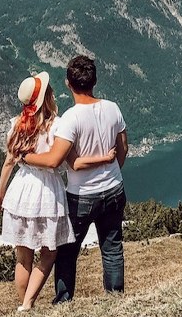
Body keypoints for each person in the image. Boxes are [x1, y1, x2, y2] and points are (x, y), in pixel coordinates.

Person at [0, 70, 116, 310]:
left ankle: (25, 307)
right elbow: (73, 162)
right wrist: (104, 159)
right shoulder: (56, 126)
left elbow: (8, 162)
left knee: (23, 257)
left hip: (20, 191)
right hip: (47, 192)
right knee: (49, 253)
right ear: (46, 98)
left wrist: (0, 193)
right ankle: (28, 304)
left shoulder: (16, 125)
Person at [16, 55, 128, 300]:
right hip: (114, 189)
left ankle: (64, 301)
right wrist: (110, 172)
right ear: (95, 81)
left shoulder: (70, 118)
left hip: (82, 197)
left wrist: (24, 156)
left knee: (67, 252)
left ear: (68, 84)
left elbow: (53, 160)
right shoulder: (113, 108)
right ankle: (115, 299)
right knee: (112, 248)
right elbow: (123, 149)